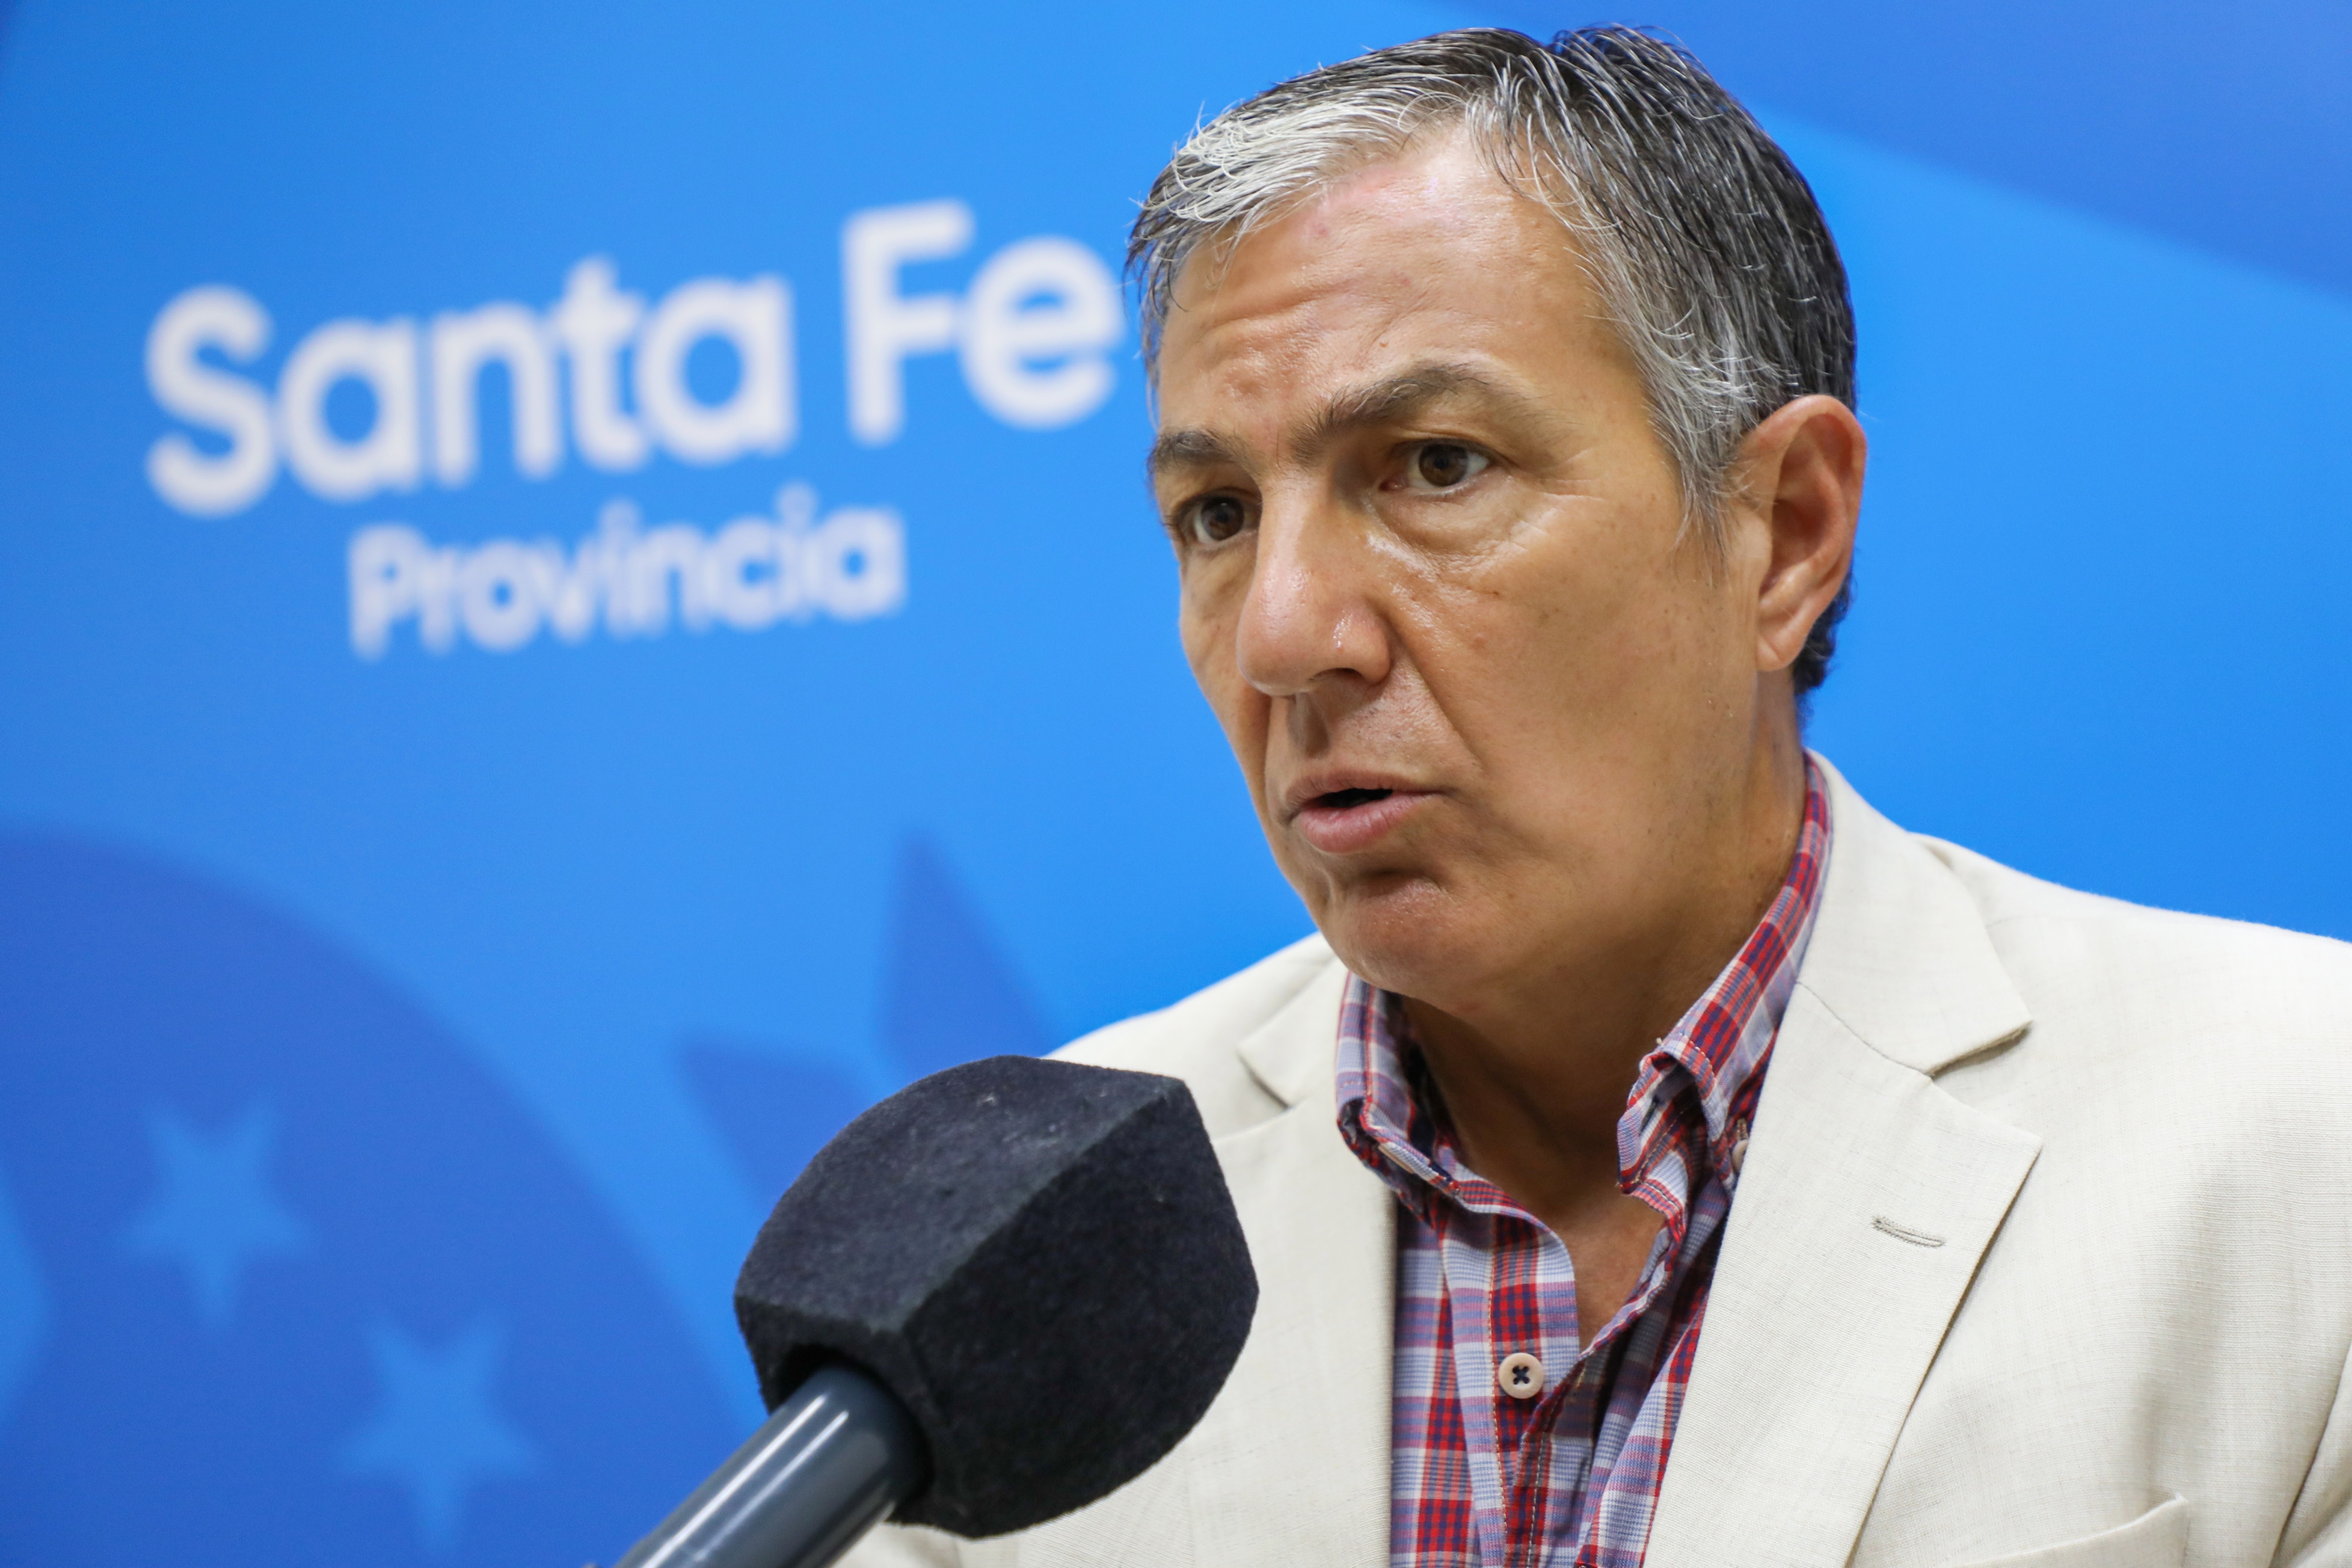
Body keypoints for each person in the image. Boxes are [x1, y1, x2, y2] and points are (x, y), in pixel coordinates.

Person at [850, 25, 2352, 1568]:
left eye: (1435, 465)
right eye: (1217, 513)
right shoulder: (1023, 1259)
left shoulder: (2303, 1141)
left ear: (1785, 530)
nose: (1283, 634)